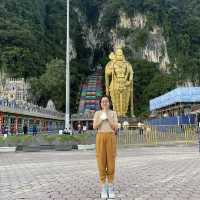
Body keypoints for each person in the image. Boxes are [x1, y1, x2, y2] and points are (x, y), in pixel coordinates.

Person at [93, 95, 118, 199]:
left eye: (106, 101)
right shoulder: (97, 113)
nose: (104, 103)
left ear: (109, 103)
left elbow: (115, 127)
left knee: (111, 163)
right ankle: (103, 187)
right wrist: (101, 120)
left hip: (111, 137)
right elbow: (94, 126)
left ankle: (111, 186)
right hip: (100, 137)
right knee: (101, 162)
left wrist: (108, 118)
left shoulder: (113, 113)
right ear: (100, 104)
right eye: (103, 102)